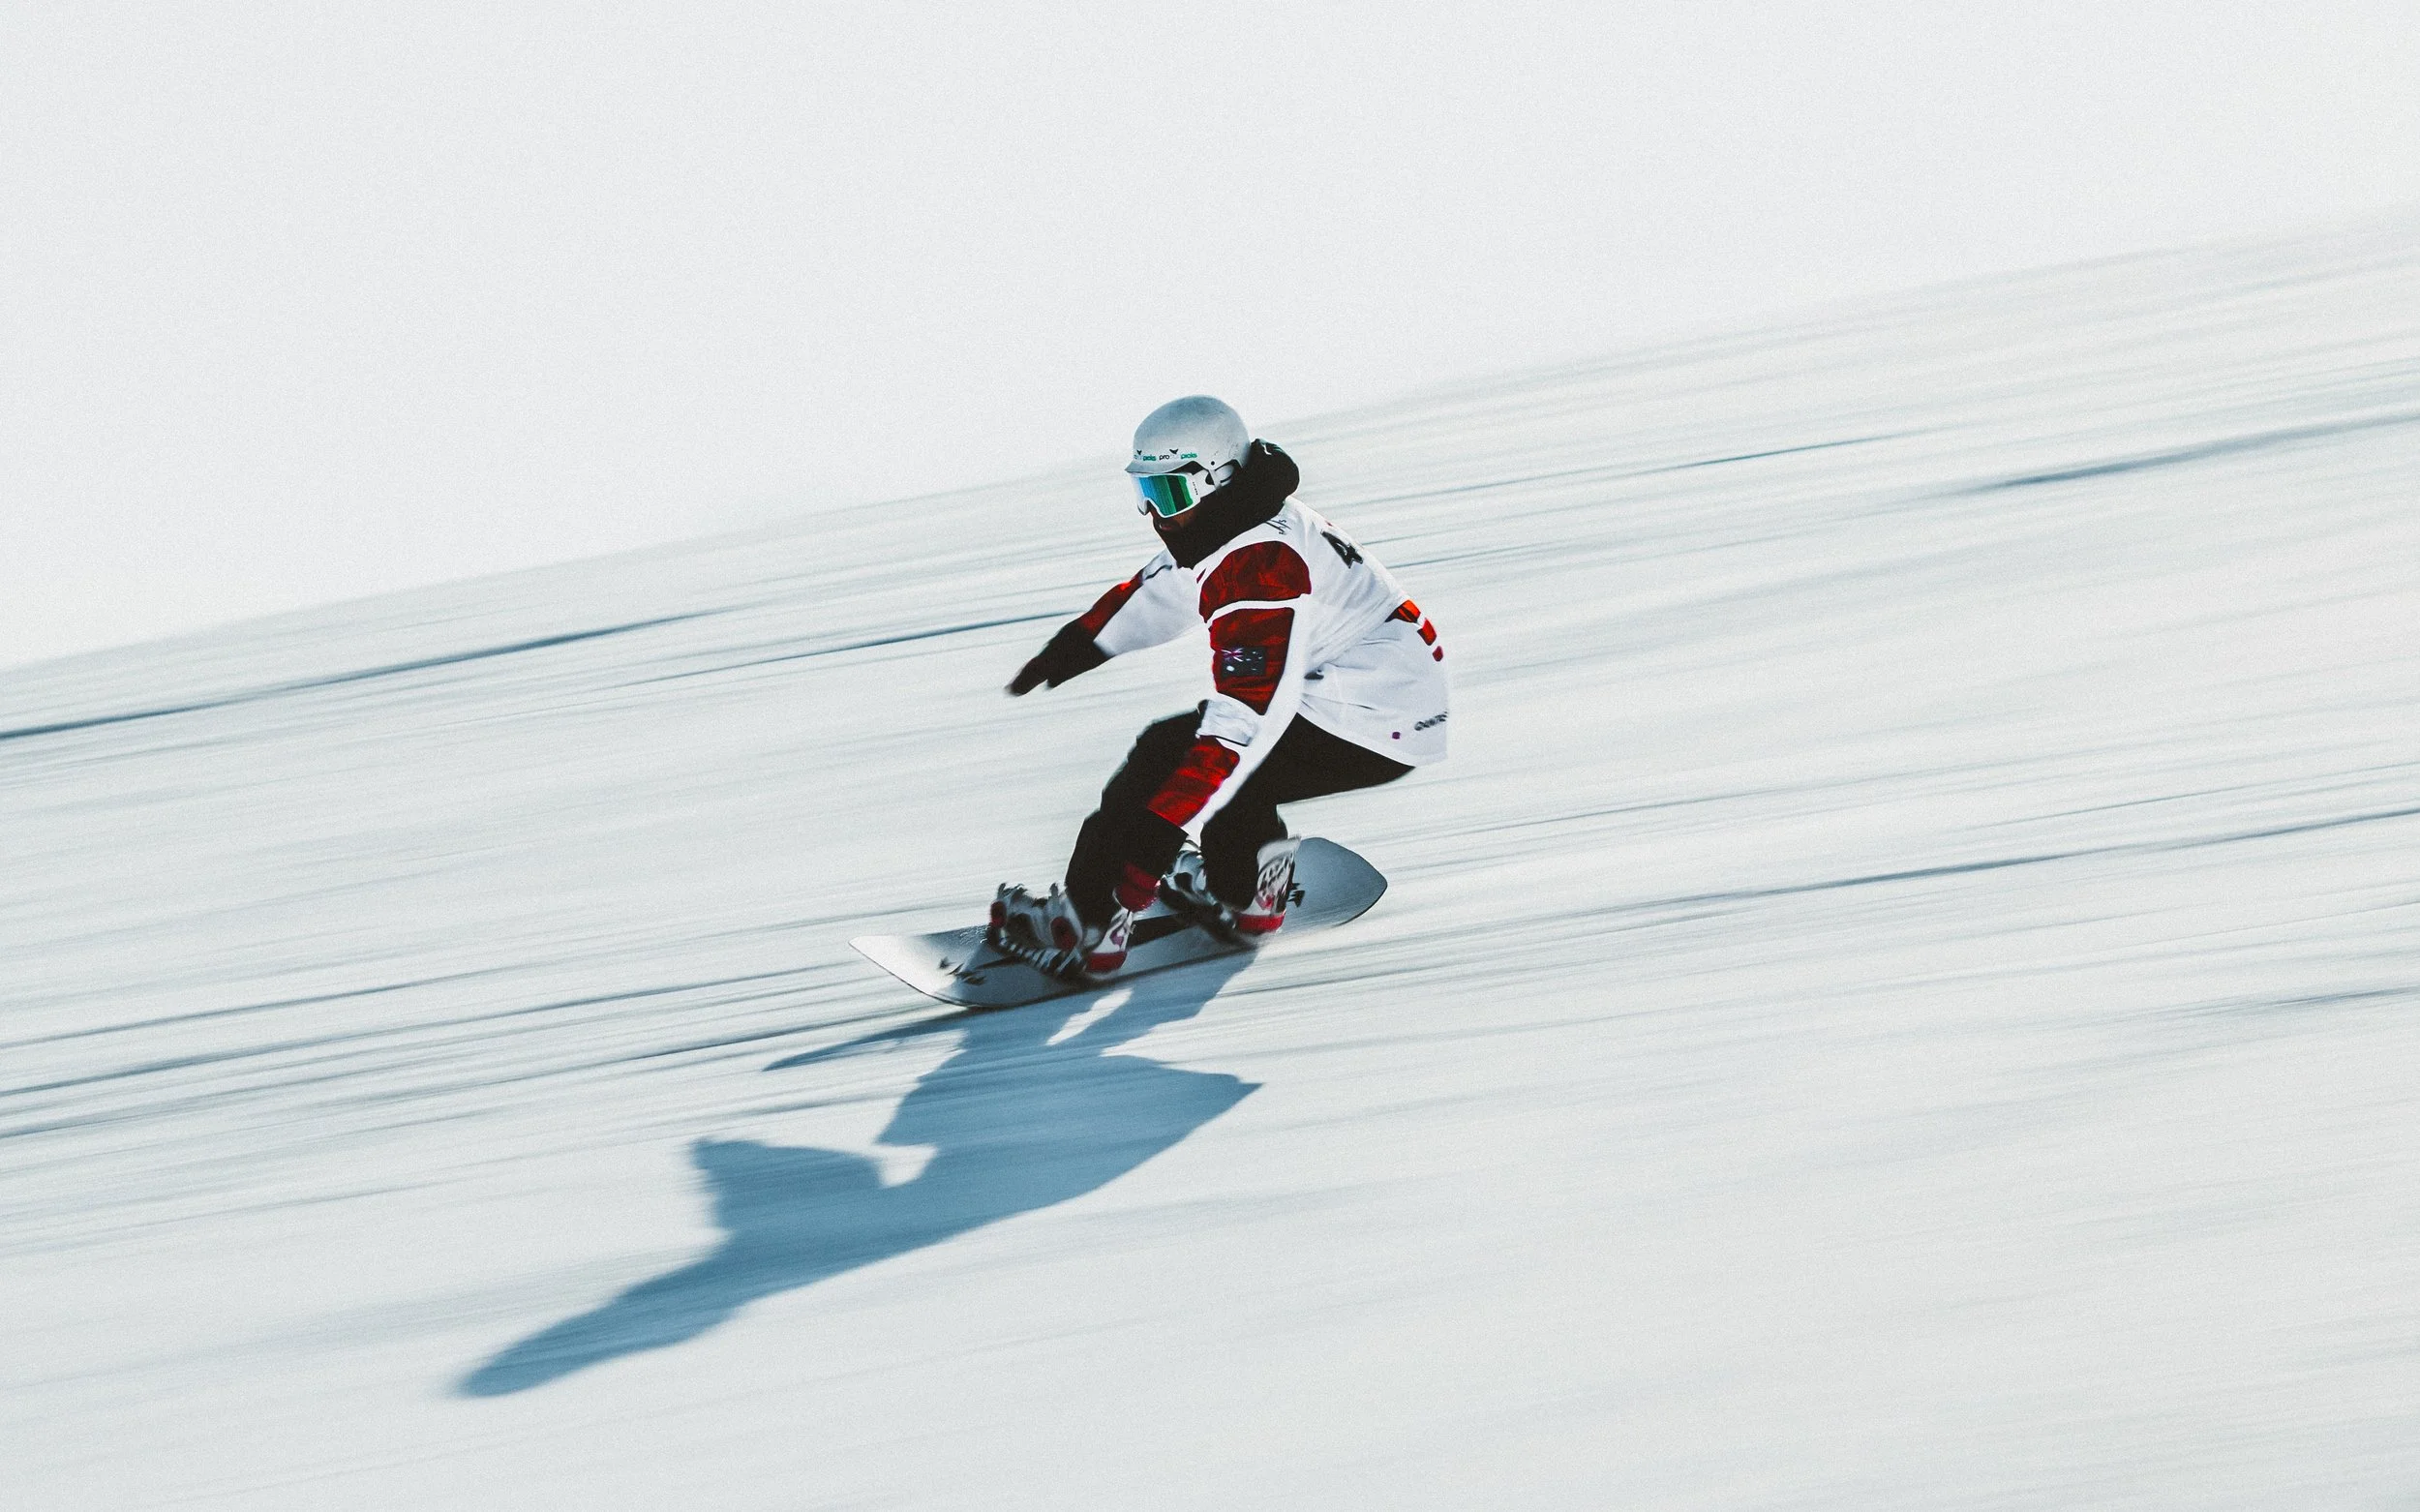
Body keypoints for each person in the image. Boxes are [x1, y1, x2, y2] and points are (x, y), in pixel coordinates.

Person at [991, 395, 1449, 979]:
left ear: (1220, 479)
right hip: (1384, 704)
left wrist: (1151, 844)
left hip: (1364, 718)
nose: (1160, 515)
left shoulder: (1261, 563)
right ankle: (1248, 893)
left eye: (1172, 495)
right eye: (1147, 495)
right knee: (1227, 774)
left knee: (1171, 756)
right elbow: (1170, 587)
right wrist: (1081, 643)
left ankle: (1088, 924)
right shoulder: (1236, 523)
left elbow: (1248, 718)